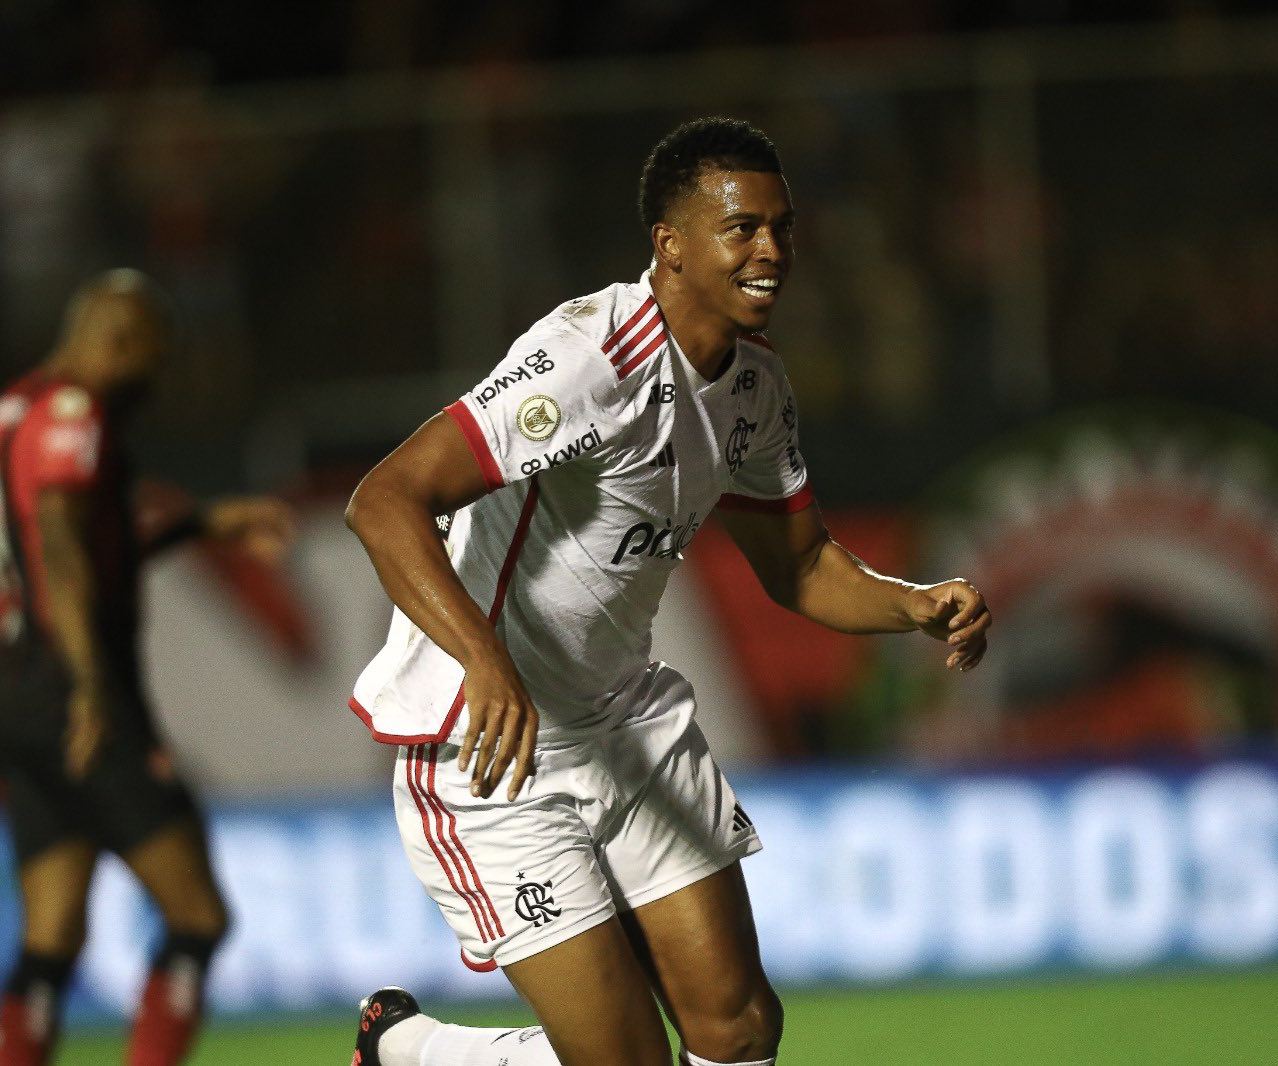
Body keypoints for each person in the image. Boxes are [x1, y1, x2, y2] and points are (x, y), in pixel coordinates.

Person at [345, 118, 991, 1066]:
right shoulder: (589, 360)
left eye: (782, 227)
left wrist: (914, 603)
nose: (772, 251)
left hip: (628, 725)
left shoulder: (754, 390)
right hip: (489, 752)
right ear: (672, 244)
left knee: (738, 1027)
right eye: (743, 230)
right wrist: (482, 656)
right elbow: (384, 499)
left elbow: (802, 566)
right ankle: (410, 1053)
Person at [0, 270, 294, 1066]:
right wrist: (89, 689)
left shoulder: (13, 408)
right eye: (153, 356)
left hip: (11, 690)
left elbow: (92, 545)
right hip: (72, 688)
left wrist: (201, 522)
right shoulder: (75, 416)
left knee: (52, 937)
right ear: (118, 344)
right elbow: (63, 550)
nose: (156, 377)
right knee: (198, 919)